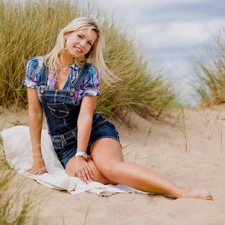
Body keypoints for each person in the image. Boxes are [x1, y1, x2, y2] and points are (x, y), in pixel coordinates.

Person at [23, 16, 213, 200]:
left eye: (89, 43)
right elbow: (35, 112)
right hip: (64, 144)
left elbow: (85, 116)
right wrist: (37, 157)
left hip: (95, 132)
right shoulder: (36, 66)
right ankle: (103, 162)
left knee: (111, 168)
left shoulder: (89, 73)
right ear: (67, 34)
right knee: (94, 176)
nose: (83, 44)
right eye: (80, 36)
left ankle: (179, 191)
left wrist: (82, 155)